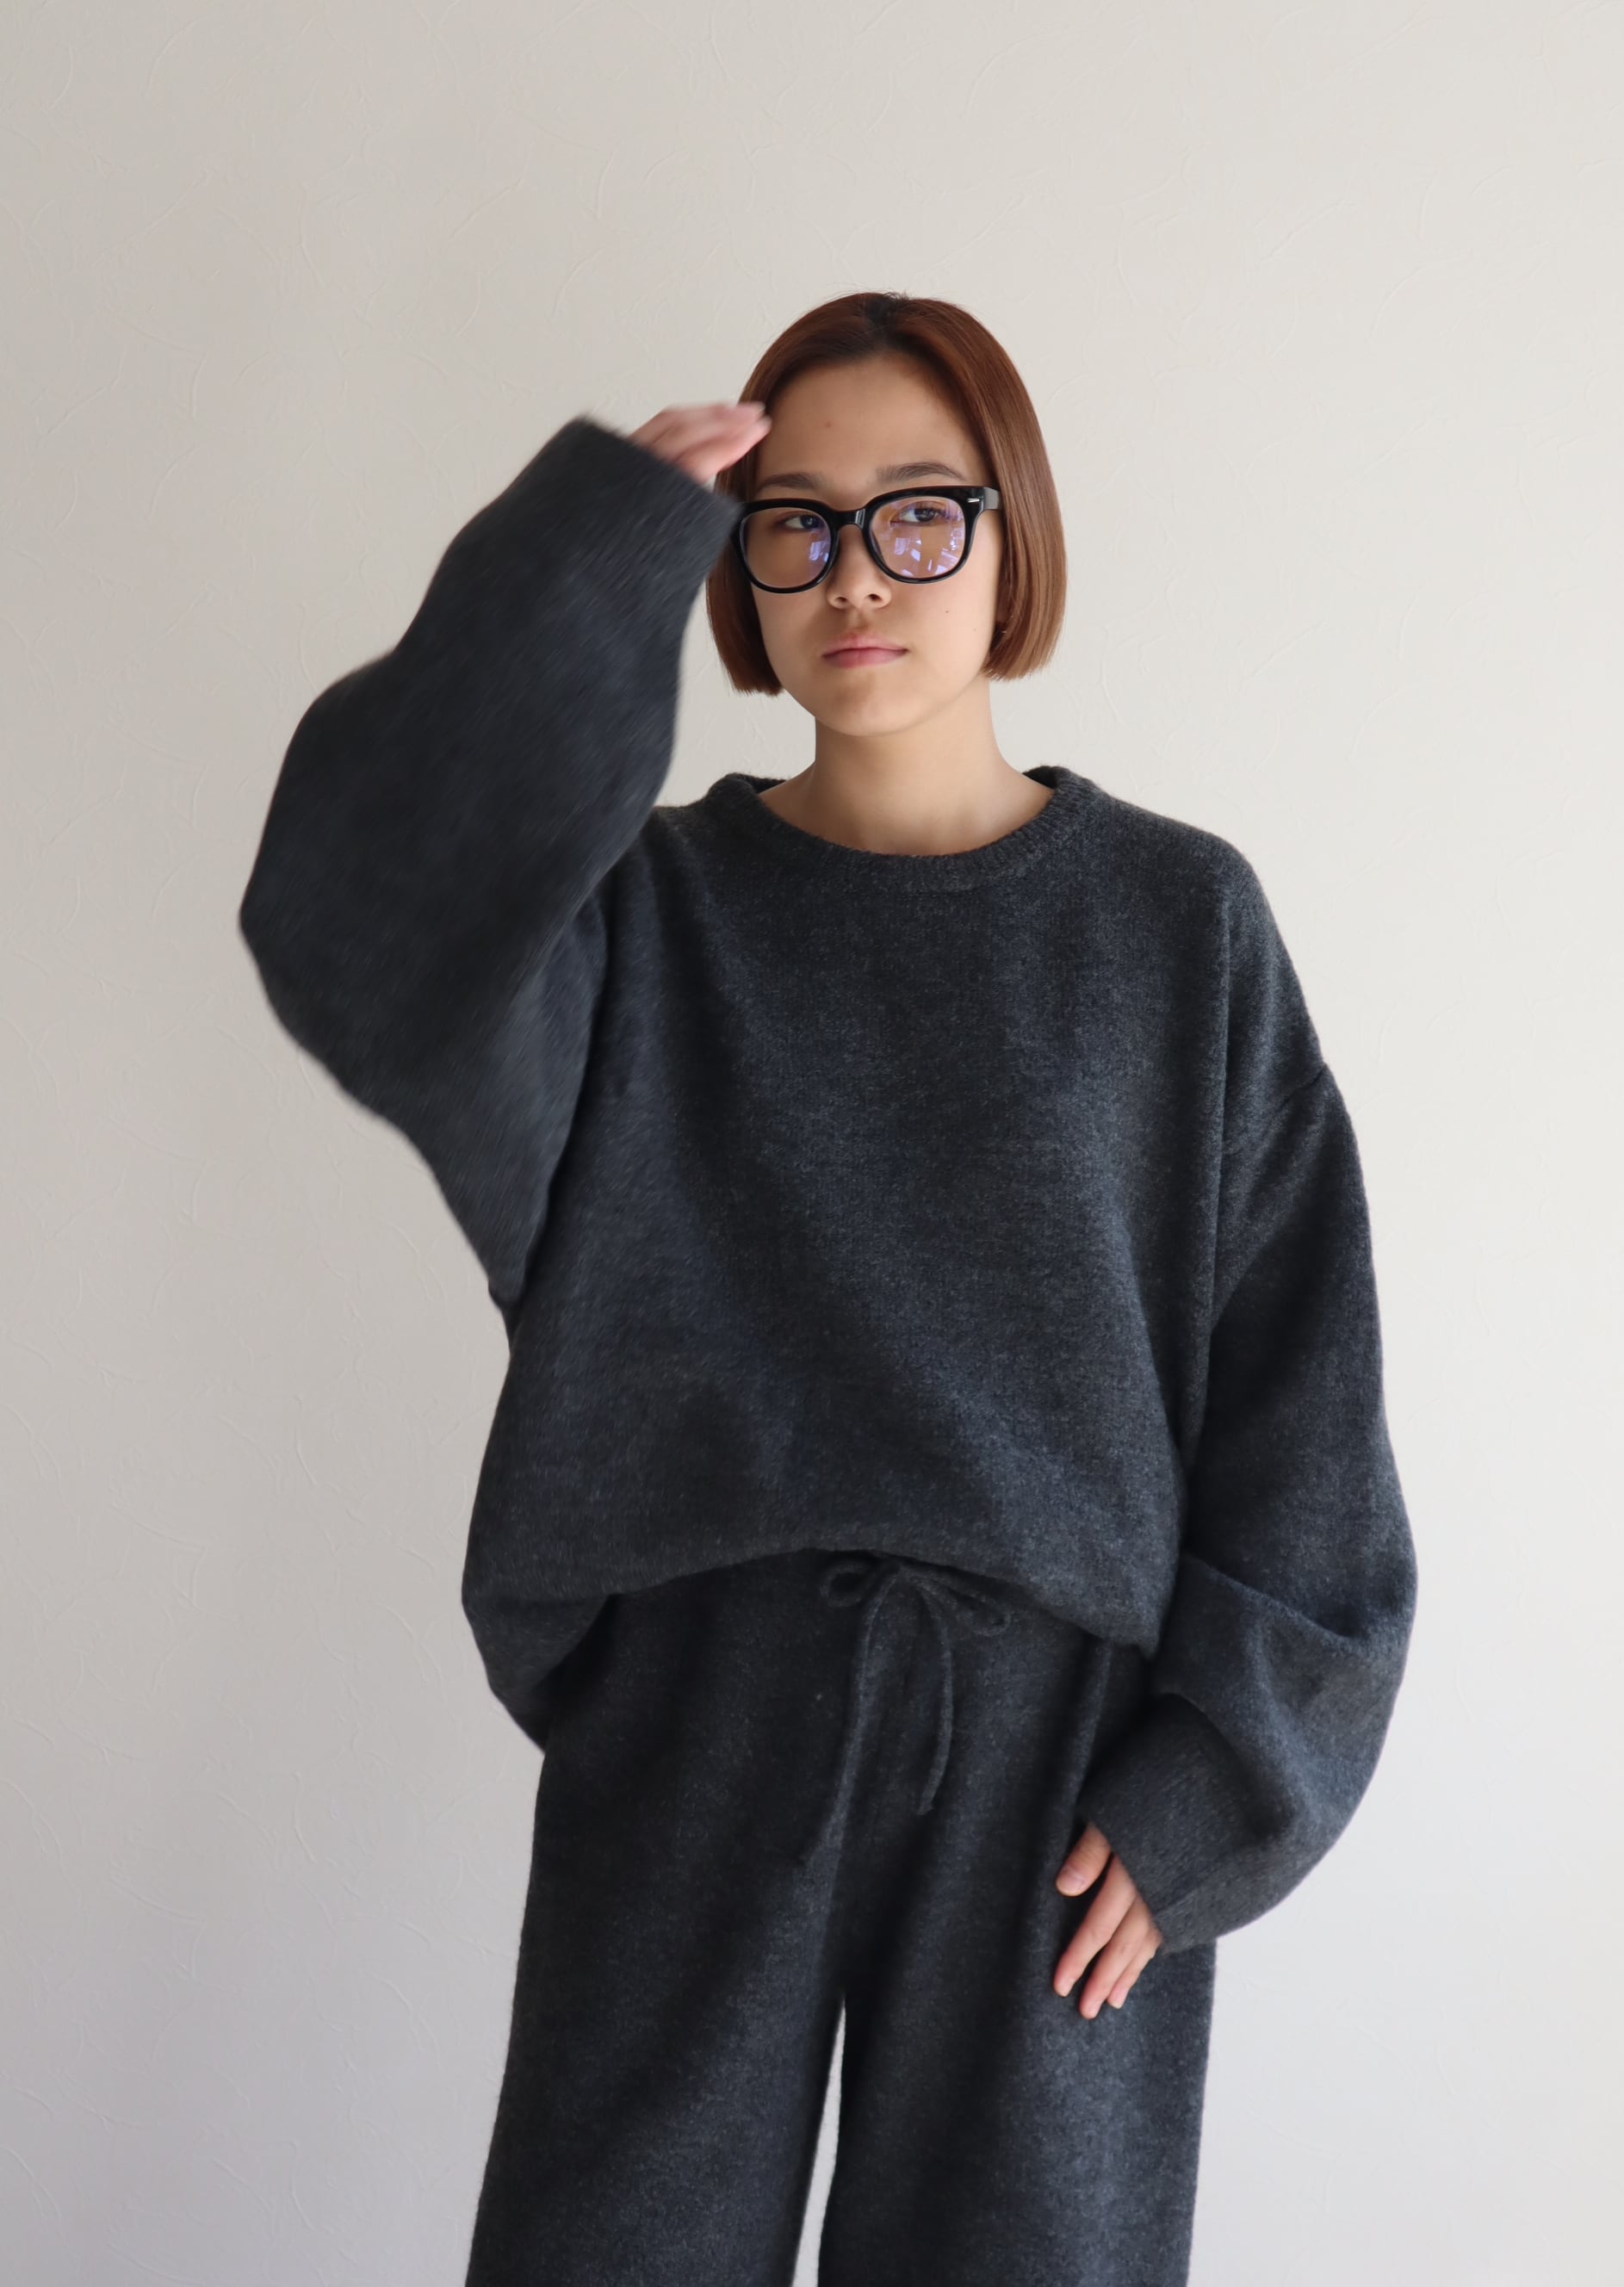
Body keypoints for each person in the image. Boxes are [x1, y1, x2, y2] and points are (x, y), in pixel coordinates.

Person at [238, 289, 1417, 2287]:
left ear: (1011, 536)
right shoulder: (632, 925)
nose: (854, 572)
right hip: (697, 1712)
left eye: (916, 513)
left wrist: (1217, 1783)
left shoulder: (1175, 925)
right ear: (738, 565)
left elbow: (1302, 1387)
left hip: (1063, 1763)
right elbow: (356, 922)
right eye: (793, 522)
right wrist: (588, 547)